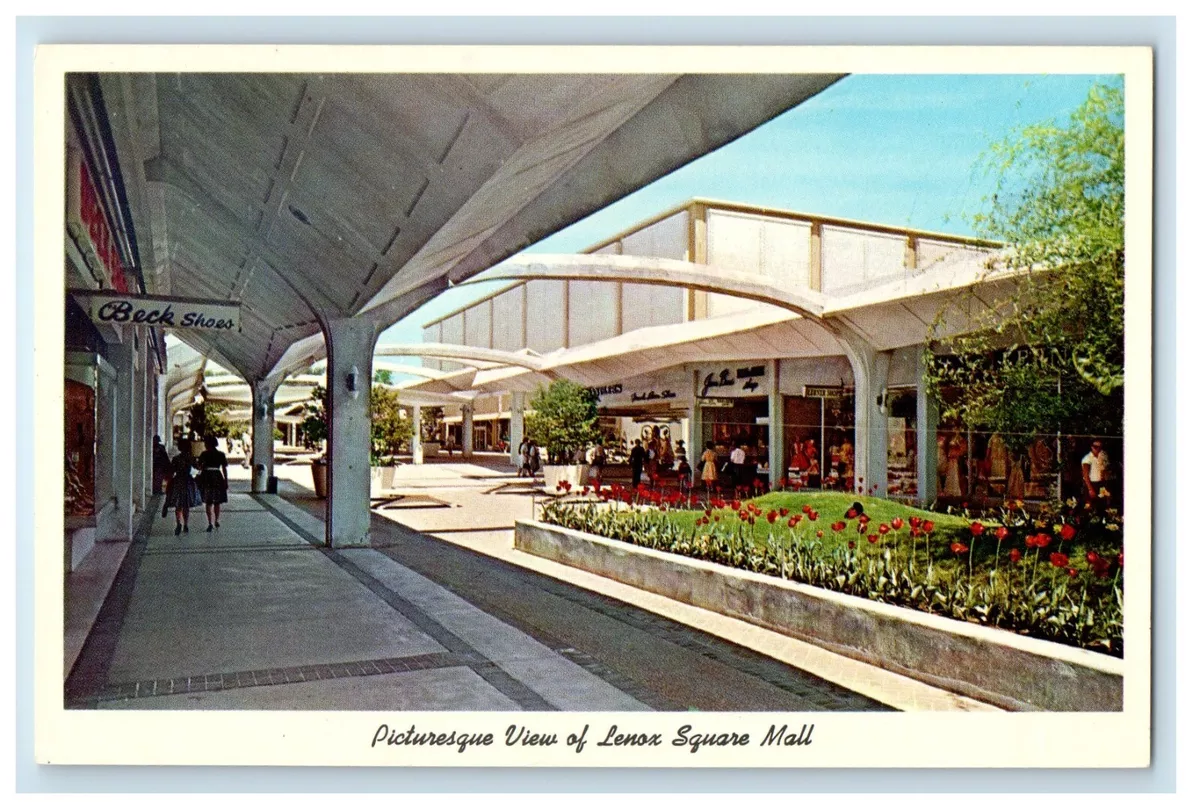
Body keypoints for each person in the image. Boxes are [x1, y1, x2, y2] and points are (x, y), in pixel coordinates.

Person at [164, 439, 202, 536]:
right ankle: (185, 524)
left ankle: (178, 523)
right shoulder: (191, 458)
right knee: (186, 505)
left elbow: (171, 471)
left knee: (178, 505)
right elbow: (198, 468)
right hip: (188, 481)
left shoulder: (176, 458)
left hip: (178, 481)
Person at [198, 435, 229, 532]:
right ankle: (217, 520)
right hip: (217, 476)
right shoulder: (221, 454)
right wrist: (226, 480)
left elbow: (199, 466)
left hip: (207, 477)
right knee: (217, 501)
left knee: (208, 501)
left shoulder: (204, 454)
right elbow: (224, 468)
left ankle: (210, 522)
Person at [1081, 439, 1111, 505]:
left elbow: (1105, 470)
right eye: (1095, 446)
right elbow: (1085, 475)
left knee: (1101, 505)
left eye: (1099, 447)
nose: (1098, 449)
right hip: (1091, 484)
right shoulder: (1087, 458)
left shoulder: (1103, 456)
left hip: (1101, 484)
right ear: (1091, 447)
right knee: (1090, 506)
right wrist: (1090, 489)